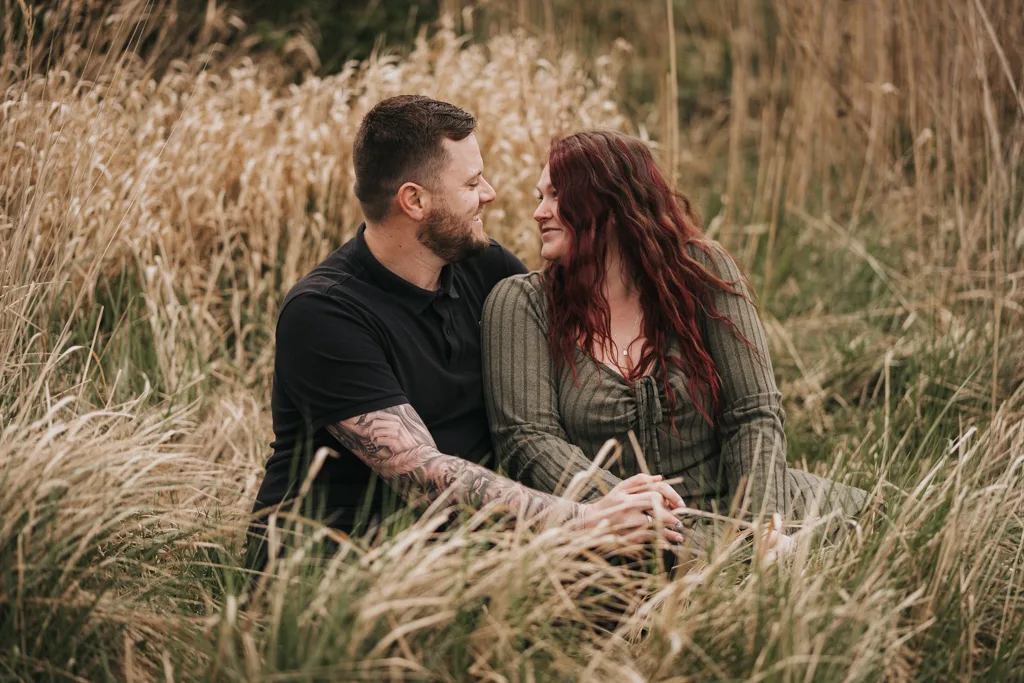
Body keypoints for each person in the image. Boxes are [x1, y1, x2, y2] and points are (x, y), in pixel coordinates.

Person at [246, 98, 685, 573]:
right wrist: (587, 518)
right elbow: (423, 474)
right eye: (472, 183)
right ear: (414, 201)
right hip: (336, 565)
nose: (491, 193)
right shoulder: (324, 313)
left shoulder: (487, 269)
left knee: (648, 563)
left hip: (464, 545)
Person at [482, 131, 871, 557]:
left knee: (878, 529)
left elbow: (753, 412)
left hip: (737, 505)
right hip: (618, 527)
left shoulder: (700, 272)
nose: (539, 212)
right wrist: (625, 508)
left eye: (556, 196)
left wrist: (764, 528)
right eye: (540, 196)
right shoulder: (522, 303)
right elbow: (528, 439)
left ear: (610, 204)